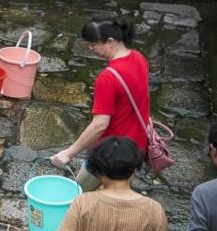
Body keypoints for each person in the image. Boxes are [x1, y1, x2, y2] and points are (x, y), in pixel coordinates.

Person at [51, 16, 150, 191]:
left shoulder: (107, 78)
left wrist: (69, 153)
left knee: (79, 194)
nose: (90, 48)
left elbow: (100, 125)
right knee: (117, 193)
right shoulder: (139, 58)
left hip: (110, 153)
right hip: (135, 149)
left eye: (93, 44)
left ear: (110, 42)